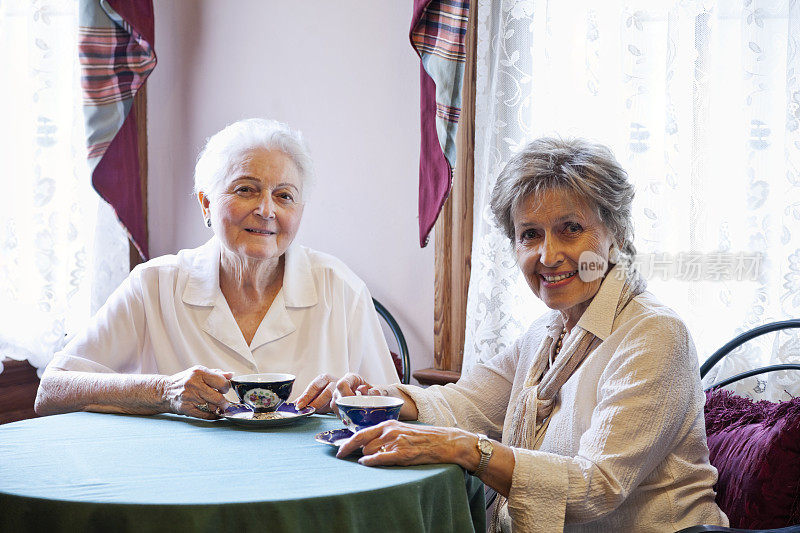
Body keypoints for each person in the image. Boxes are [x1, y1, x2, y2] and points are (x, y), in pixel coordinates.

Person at [297, 138, 728, 532]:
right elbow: (465, 403)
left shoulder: (654, 334)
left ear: (615, 235)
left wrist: (469, 450)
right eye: (530, 235)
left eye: (571, 229)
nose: (548, 255)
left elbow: (597, 486)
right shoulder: (545, 331)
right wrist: (373, 398)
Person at [35, 118, 398, 420]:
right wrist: (165, 391)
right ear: (206, 203)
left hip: (311, 490)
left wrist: (347, 400)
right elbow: (52, 388)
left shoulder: (341, 289)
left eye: (284, 195)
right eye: (246, 190)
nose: (267, 210)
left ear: (300, 210)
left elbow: (390, 406)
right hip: (181, 487)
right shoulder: (156, 284)